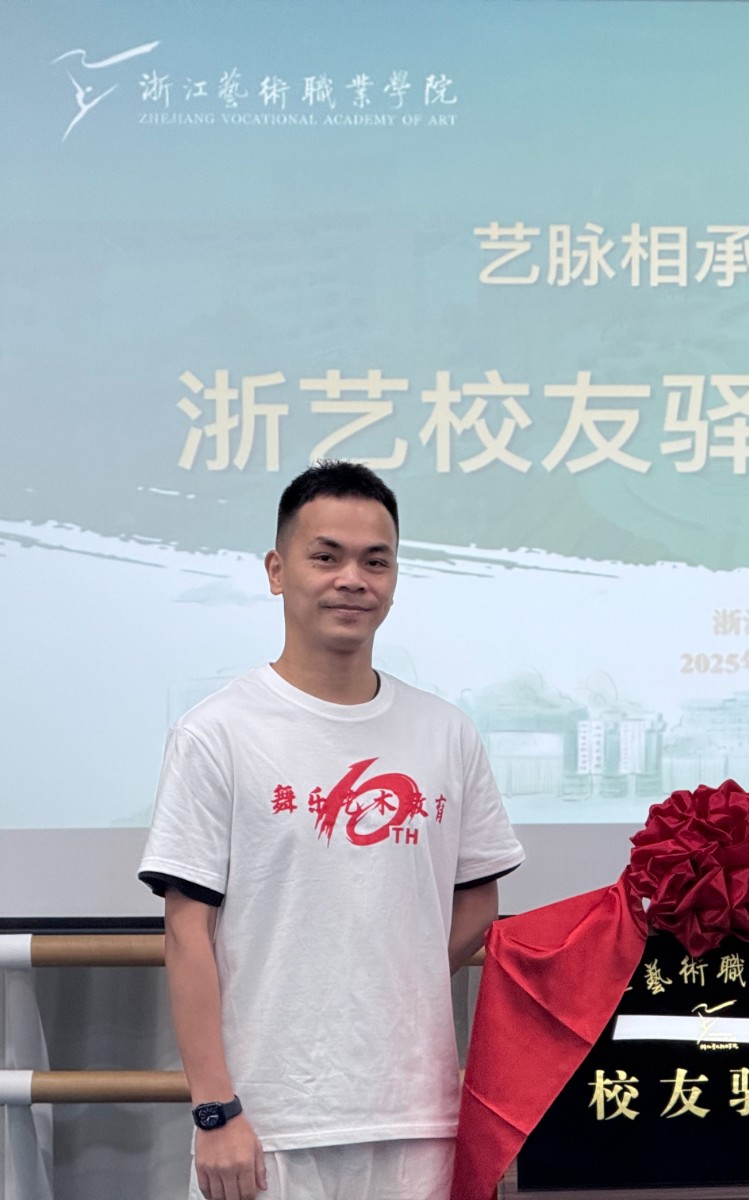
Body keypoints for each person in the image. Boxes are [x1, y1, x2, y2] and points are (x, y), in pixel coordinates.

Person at [138, 461, 525, 1200]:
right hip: (266, 1122)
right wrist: (215, 1110)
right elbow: (187, 933)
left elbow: (478, 902)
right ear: (277, 570)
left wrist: (387, 979)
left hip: (417, 1116)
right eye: (327, 556)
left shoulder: (446, 733)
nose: (353, 580)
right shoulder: (216, 732)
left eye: (376, 562)